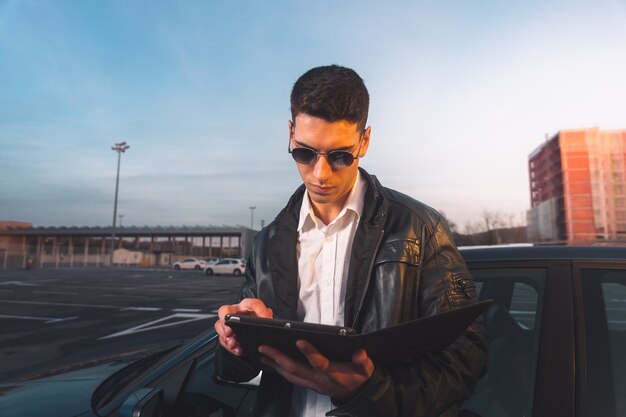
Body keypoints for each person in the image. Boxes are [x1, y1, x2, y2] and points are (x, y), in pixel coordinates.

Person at [214, 65, 486, 417]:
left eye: (340, 156)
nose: (321, 174)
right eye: (304, 154)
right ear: (290, 134)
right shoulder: (267, 243)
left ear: (365, 141)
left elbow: (468, 360)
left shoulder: (420, 229)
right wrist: (234, 341)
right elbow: (241, 370)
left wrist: (368, 391)